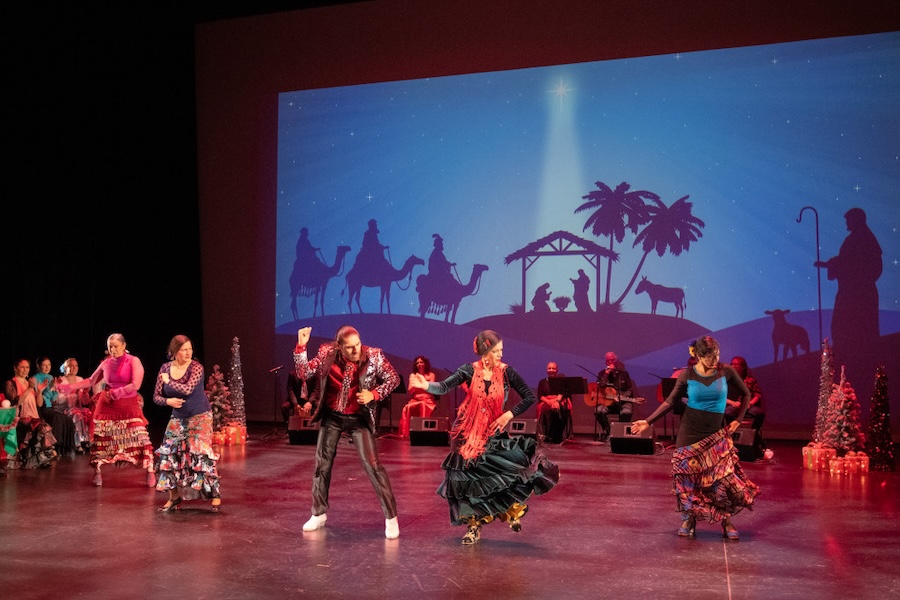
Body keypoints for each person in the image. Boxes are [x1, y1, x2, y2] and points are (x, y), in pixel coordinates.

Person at [410, 330, 559, 545]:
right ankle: (473, 526)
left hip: (494, 433)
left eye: (501, 350)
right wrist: (425, 386)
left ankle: (511, 510)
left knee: (507, 472)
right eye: (496, 351)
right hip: (468, 435)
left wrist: (508, 414)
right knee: (469, 485)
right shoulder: (469, 370)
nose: (500, 354)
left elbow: (528, 396)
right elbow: (443, 387)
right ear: (485, 351)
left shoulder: (507, 372)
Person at [630, 336, 760, 540]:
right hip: (690, 432)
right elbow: (670, 402)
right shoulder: (687, 375)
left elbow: (745, 394)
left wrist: (738, 420)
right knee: (686, 479)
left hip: (716, 433)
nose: (715, 360)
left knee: (721, 479)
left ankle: (726, 520)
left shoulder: (726, 371)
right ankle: (688, 518)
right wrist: (648, 421)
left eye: (717, 355)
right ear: (698, 355)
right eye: (710, 357)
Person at [293, 325, 401, 539]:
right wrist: (301, 346)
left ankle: (391, 518)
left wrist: (374, 394)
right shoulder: (326, 353)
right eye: (350, 347)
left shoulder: (374, 356)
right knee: (322, 464)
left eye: (358, 345)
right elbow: (304, 373)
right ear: (339, 346)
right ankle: (318, 513)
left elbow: (393, 379)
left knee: (373, 465)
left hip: (359, 418)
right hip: (332, 416)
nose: (355, 350)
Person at [59, 333, 155, 487]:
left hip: (127, 404)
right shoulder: (107, 363)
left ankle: (150, 469)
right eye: (110, 346)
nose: (112, 349)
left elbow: (136, 384)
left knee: (139, 437)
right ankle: (97, 471)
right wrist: (69, 387)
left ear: (124, 346)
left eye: (116, 346)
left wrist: (119, 392)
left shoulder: (133, 361)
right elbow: (91, 381)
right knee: (103, 438)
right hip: (108, 405)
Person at [153, 335, 222, 513]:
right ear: (174, 351)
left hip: (200, 416)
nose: (188, 352)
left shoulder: (196, 367)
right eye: (184, 349)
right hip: (178, 418)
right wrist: (168, 402)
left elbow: (188, 389)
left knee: (201, 455)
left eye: (190, 349)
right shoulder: (165, 368)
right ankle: (174, 497)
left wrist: (170, 382)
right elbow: (156, 397)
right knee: (168, 455)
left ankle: (214, 494)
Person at [814, 207, 882, 357]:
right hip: (852, 291)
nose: (846, 223)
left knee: (852, 327)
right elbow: (846, 261)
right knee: (843, 326)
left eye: (848, 220)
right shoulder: (857, 239)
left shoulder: (862, 240)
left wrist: (834, 265)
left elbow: (856, 264)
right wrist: (829, 264)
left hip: (857, 293)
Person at [4, 359, 58, 468]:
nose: (25, 370)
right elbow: (15, 402)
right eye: (22, 367)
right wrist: (29, 388)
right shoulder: (11, 383)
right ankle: (38, 459)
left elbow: (39, 404)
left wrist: (39, 392)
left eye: (27, 367)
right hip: (21, 418)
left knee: (43, 426)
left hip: (34, 416)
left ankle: (40, 459)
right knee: (42, 427)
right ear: (15, 368)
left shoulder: (30, 382)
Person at [726, 356, 766, 459]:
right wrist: (732, 403)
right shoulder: (728, 380)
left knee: (759, 413)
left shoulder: (750, 380)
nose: (733, 366)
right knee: (727, 413)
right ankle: (732, 437)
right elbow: (721, 396)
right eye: (732, 364)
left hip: (749, 405)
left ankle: (753, 436)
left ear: (743, 367)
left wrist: (750, 403)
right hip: (735, 405)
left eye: (736, 364)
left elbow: (757, 395)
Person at [35, 356, 77, 454]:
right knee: (56, 418)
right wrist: (50, 389)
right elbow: (42, 397)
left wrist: (54, 388)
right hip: (41, 407)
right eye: (44, 365)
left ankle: (64, 448)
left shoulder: (50, 377)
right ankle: (53, 447)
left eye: (48, 365)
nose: (47, 367)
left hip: (50, 406)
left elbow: (53, 398)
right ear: (38, 366)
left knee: (67, 419)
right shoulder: (35, 378)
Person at [55, 357, 94, 453]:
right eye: (71, 366)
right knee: (77, 415)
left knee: (89, 413)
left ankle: (89, 440)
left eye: (76, 365)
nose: (74, 368)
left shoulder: (80, 379)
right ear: (65, 368)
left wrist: (85, 393)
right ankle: (78, 442)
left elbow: (85, 402)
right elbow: (57, 400)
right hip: (64, 408)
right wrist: (72, 394)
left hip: (78, 408)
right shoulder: (61, 380)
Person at [594, 351, 635, 442]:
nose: (610, 362)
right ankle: (609, 433)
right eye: (608, 361)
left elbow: (629, 390)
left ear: (616, 361)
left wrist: (621, 397)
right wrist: (606, 374)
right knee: (599, 411)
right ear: (606, 362)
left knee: (626, 412)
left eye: (612, 360)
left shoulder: (624, 374)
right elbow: (600, 387)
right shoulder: (602, 374)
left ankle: (620, 434)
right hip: (608, 403)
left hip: (622, 402)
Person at [399, 355, 437, 439]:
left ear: (425, 363)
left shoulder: (431, 375)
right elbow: (410, 390)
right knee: (407, 407)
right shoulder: (413, 375)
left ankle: (422, 433)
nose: (419, 364)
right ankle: (407, 434)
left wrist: (418, 384)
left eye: (421, 362)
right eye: (417, 363)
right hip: (415, 399)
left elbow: (430, 389)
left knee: (422, 405)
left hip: (427, 400)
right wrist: (421, 385)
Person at [536, 361, 573, 444]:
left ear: (557, 370)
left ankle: (557, 436)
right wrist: (549, 402)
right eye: (549, 368)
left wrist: (556, 402)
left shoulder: (561, 380)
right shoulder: (542, 382)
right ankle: (548, 435)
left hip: (559, 400)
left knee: (560, 408)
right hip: (547, 402)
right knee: (547, 409)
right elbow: (540, 396)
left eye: (553, 368)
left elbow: (562, 392)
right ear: (546, 370)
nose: (551, 370)